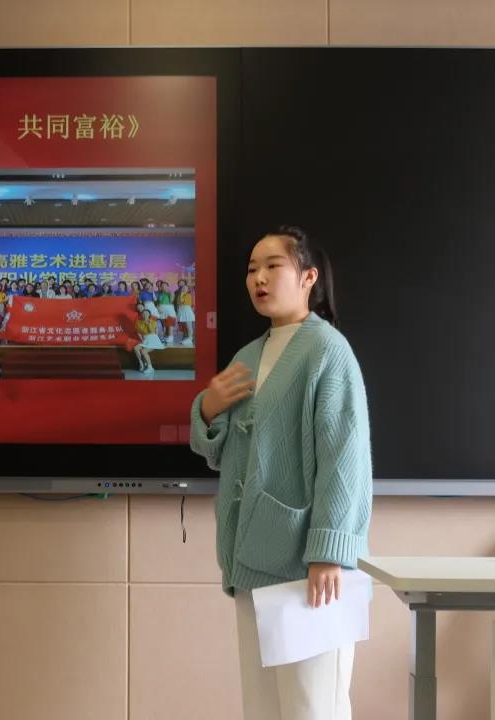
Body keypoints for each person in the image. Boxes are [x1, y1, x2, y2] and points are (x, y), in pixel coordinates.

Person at [189, 225, 372, 720]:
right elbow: (219, 452)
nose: (259, 279)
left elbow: (345, 457)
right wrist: (208, 408)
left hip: (307, 565)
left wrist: (329, 550)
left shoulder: (328, 350)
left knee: (314, 708)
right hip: (251, 560)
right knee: (263, 708)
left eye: (273, 266)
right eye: (252, 269)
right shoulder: (248, 357)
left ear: (309, 277)